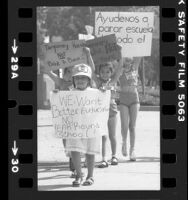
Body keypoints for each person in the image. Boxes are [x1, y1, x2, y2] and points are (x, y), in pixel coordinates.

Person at [84, 47, 123, 167]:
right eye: (102, 72)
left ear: (111, 73)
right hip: (100, 113)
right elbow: (91, 68)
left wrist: (120, 53)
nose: (105, 74)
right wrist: (89, 53)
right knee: (103, 135)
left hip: (112, 111)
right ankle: (104, 158)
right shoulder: (97, 81)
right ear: (99, 73)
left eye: (107, 72)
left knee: (112, 135)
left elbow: (120, 68)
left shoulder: (113, 81)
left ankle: (114, 156)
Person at [65, 63, 102, 187]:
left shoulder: (95, 92)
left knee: (90, 152)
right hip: (75, 127)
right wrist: (55, 95)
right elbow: (61, 107)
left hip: (90, 128)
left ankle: (90, 176)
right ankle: (79, 175)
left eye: (83, 77)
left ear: (89, 80)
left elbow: (103, 103)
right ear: (73, 80)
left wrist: (104, 93)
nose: (80, 80)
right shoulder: (69, 93)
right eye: (77, 77)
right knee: (74, 150)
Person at [40, 63, 78, 177]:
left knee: (75, 142)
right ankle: (71, 157)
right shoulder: (61, 82)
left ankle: (75, 167)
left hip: (77, 119)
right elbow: (48, 72)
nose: (70, 74)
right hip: (64, 118)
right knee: (66, 141)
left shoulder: (80, 84)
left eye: (73, 72)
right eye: (68, 72)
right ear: (65, 73)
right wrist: (44, 62)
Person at [118, 57, 142, 161]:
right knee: (124, 126)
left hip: (134, 98)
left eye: (130, 58)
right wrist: (121, 57)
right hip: (123, 99)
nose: (128, 60)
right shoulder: (119, 69)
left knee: (132, 126)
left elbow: (140, 52)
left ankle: (132, 150)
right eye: (125, 58)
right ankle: (124, 143)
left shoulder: (135, 67)